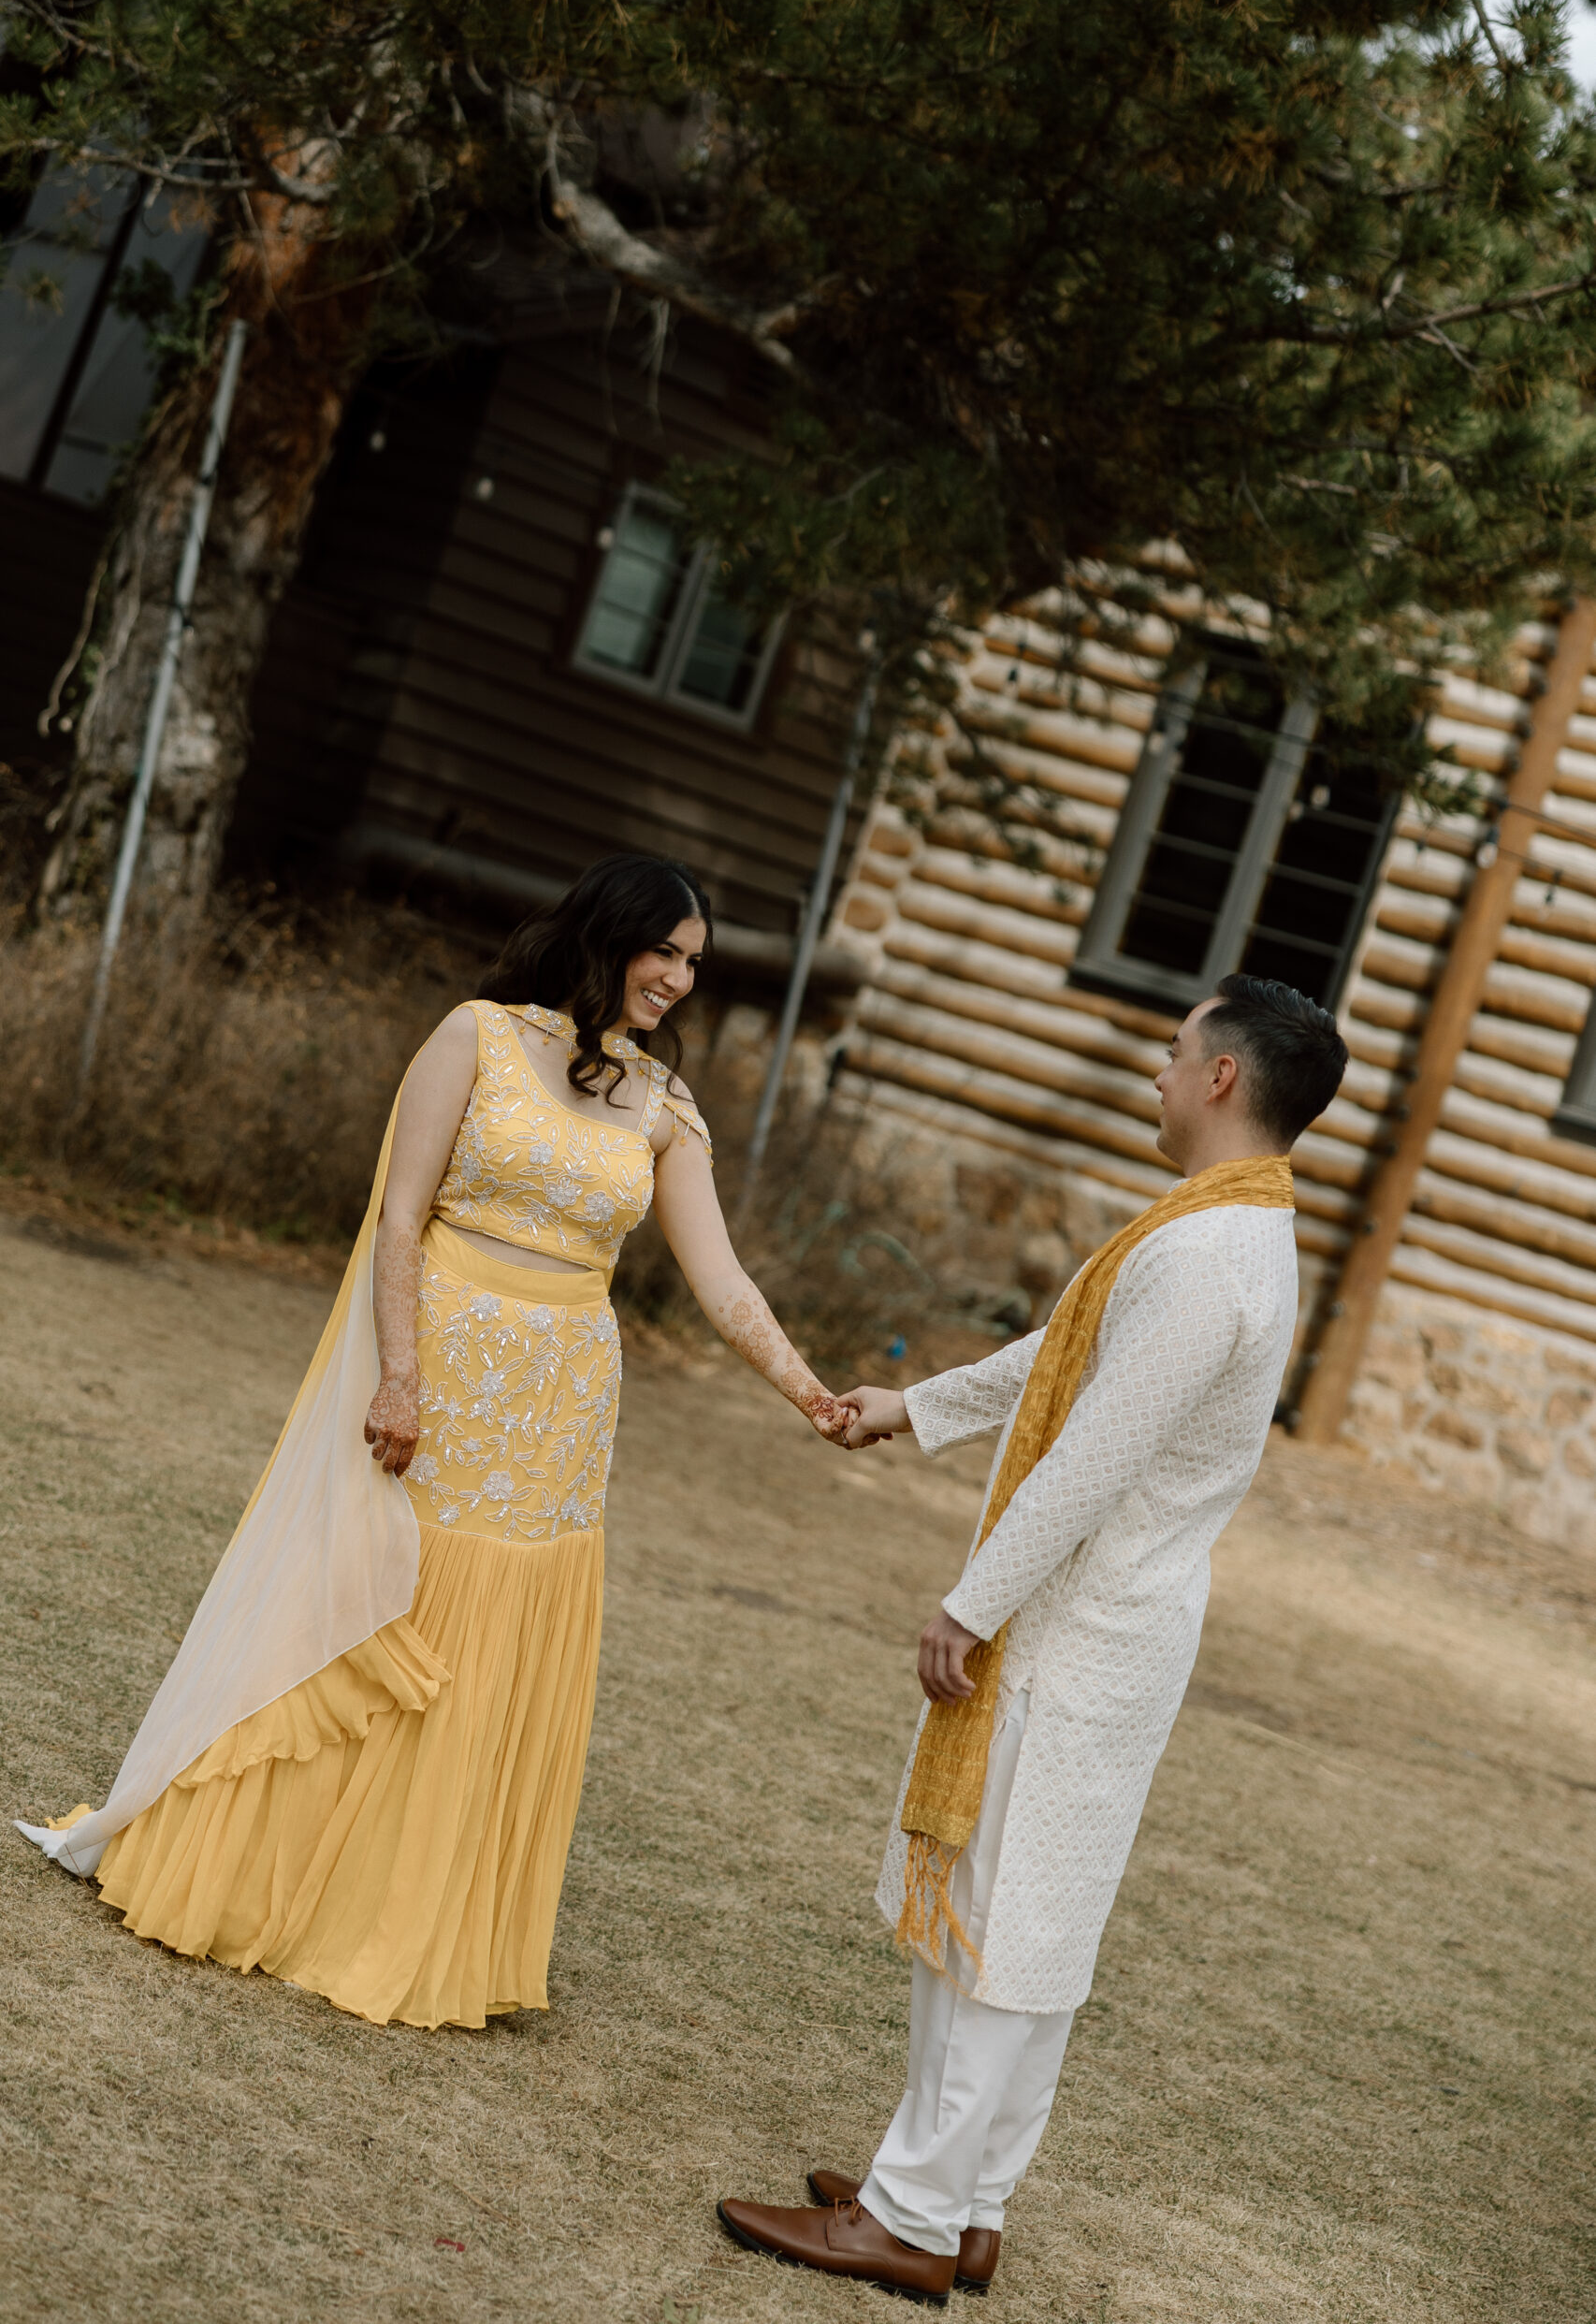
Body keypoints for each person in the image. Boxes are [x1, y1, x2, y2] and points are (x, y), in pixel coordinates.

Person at [17, 853, 856, 2030]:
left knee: (486, 1643)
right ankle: (263, 1871)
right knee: (371, 1603)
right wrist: (399, 1372)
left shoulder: (664, 1109)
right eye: (662, 949)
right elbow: (400, 1211)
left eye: (693, 963)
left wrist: (808, 1392)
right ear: (608, 935)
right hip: (442, 1365)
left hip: (561, 1402)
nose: (675, 977)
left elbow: (721, 1283)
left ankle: (402, 1913)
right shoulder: (475, 1036)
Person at [718, 974, 1348, 2304]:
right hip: (1107, 1625)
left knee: (1005, 1917)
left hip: (1081, 1631)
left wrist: (972, 1602)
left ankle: (910, 2216)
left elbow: (1091, 1456)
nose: (1159, 1074)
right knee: (1028, 1914)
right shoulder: (1222, 1233)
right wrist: (913, 1408)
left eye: (1174, 1054)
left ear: (1222, 1079)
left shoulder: (1201, 1254)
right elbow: (1061, 1357)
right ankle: (967, 2201)